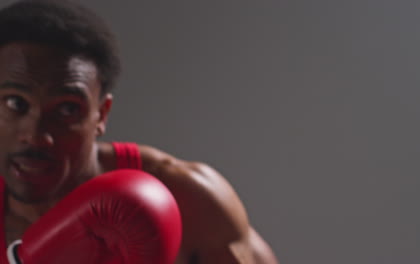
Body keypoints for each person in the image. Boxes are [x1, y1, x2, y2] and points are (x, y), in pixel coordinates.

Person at [0, 0, 278, 263]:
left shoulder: (191, 201)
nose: (36, 135)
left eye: (66, 110)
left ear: (101, 114)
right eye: (15, 103)